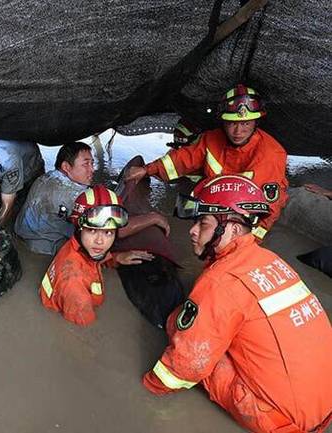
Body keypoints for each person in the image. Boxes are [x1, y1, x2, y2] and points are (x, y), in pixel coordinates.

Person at [143, 175, 332, 433]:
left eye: (203, 223)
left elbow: (186, 364)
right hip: (325, 407)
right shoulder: (270, 260)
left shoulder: (219, 282)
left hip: (283, 424)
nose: (192, 230)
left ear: (231, 228)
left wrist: (148, 389)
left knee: (189, 339)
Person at [127, 84, 288, 241]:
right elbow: (183, 159)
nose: (238, 132)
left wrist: (253, 239)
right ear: (223, 122)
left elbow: (270, 207)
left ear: (256, 122)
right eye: (232, 123)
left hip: (244, 219)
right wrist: (147, 170)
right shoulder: (211, 139)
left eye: (245, 124)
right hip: (214, 208)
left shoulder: (272, 154)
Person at [14, 141, 170, 255]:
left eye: (92, 163)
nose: (92, 169)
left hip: (23, 232)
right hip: (45, 245)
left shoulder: (50, 176)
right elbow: (118, 229)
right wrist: (153, 218)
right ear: (66, 167)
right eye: (86, 164)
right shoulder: (71, 194)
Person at [39, 185, 154, 326]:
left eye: (108, 232)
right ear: (79, 228)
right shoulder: (76, 291)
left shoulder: (77, 248)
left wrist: (115, 257)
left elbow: (88, 263)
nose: (100, 241)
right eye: (92, 231)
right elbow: (84, 331)